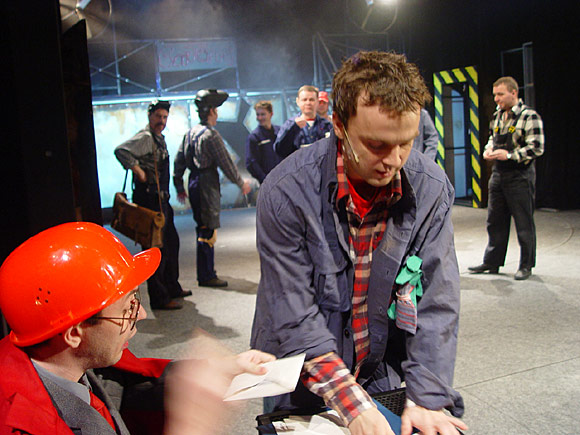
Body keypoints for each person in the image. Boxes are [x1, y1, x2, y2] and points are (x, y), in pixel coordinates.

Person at [251, 51, 468, 435]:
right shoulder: (285, 190)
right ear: (338, 124)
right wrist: (350, 404)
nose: (394, 160)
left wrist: (427, 399)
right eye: (377, 145)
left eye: (406, 143)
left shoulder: (431, 187)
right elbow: (291, 308)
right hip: (301, 371)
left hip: (379, 366)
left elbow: (437, 299)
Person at [0, 222, 275, 434]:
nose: (141, 314)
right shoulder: (18, 424)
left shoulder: (65, 366)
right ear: (73, 333)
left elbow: (125, 387)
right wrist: (192, 425)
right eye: (127, 309)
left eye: (136, 299)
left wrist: (215, 368)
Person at [173, 89, 252, 288]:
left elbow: (179, 161)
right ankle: (207, 275)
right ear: (211, 112)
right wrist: (241, 183)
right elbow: (226, 163)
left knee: (202, 226)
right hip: (206, 184)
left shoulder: (190, 133)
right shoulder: (211, 135)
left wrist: (178, 185)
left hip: (194, 182)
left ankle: (206, 272)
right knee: (207, 229)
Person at [468, 76, 544, 281]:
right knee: (495, 221)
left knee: (523, 223)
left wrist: (510, 155)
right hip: (498, 174)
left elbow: (537, 147)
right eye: (495, 95)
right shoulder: (497, 116)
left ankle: (526, 265)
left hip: (519, 175)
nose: (496, 99)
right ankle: (492, 262)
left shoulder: (529, 116)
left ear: (514, 93)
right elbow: (493, 138)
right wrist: (489, 149)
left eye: (500, 94)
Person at [114, 100, 187, 310]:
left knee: (171, 243)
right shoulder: (146, 137)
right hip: (150, 201)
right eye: (158, 117)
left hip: (161, 201)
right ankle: (159, 297)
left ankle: (172, 287)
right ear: (150, 116)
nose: (161, 121)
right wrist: (137, 169)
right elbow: (121, 150)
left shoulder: (158, 138)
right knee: (156, 250)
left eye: (164, 117)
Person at [274, 85, 333, 159]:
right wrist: (293, 129)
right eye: (304, 100)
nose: (308, 103)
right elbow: (279, 150)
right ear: (297, 101)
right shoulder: (289, 125)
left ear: (317, 101)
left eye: (311, 100)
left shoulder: (327, 126)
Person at [245, 100, 281, 184]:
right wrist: (265, 179)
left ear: (271, 114)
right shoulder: (254, 137)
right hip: (268, 183)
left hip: (283, 179)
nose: (260, 118)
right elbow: (251, 163)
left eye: (263, 114)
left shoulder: (280, 132)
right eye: (258, 114)